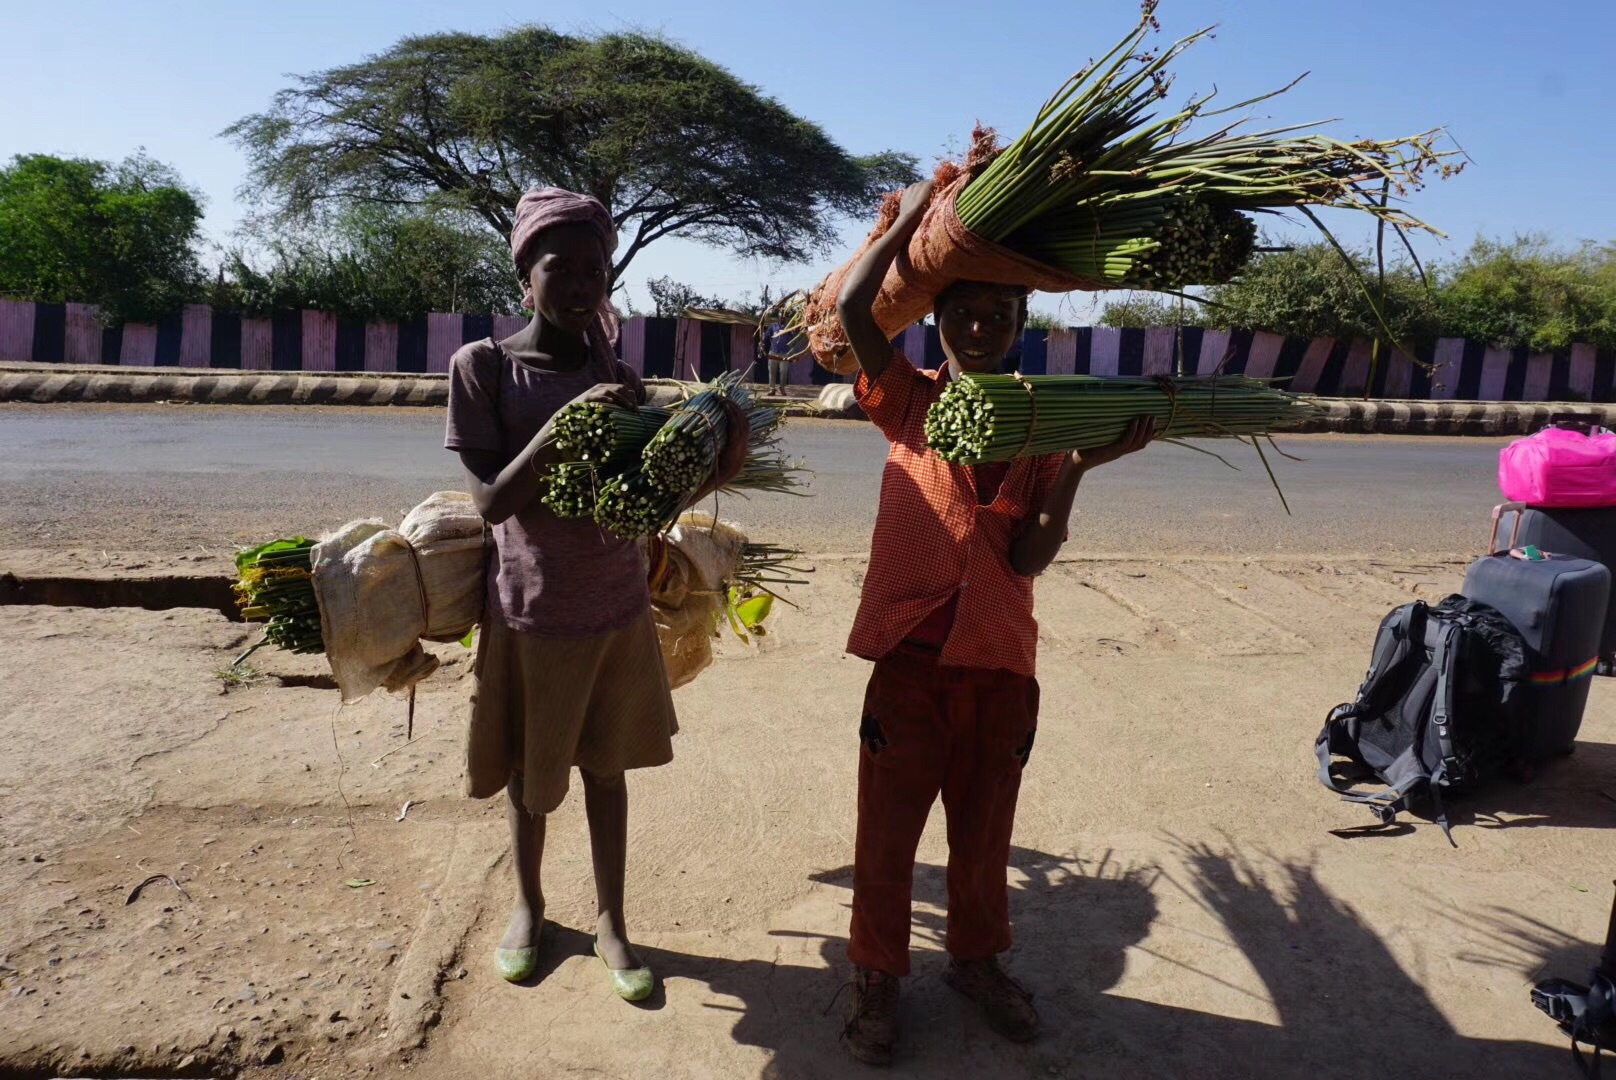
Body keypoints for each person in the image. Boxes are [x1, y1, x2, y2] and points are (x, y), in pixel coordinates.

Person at [833, 178, 1155, 1065]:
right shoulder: (908, 401)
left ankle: (976, 964)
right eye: (963, 311)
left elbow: (1028, 560)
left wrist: (1083, 467)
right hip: (909, 664)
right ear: (938, 319)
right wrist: (907, 225)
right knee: (888, 838)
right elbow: (859, 309)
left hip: (1000, 666)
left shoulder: (1046, 425)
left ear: (1022, 325)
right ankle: (877, 977)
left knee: (983, 838)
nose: (979, 328)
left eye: (999, 314)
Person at [443, 187, 677, 1003]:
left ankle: (612, 919)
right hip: (532, 615)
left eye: (595, 269)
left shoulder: (619, 374)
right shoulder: (483, 367)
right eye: (560, 267)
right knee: (532, 780)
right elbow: (491, 501)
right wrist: (564, 425)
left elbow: (643, 501)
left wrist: (699, 454)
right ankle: (529, 908)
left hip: (614, 611)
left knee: (607, 775)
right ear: (524, 277)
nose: (580, 284)